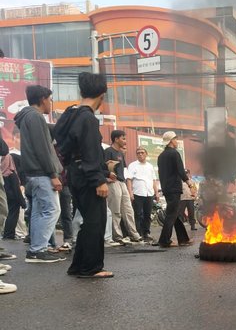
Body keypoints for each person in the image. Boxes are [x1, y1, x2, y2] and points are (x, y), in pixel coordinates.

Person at [55, 72, 113, 278]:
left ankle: (78, 266)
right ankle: (91, 268)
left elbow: (63, 145)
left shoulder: (71, 114)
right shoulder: (87, 118)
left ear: (81, 91)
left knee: (88, 221)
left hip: (75, 173)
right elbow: (90, 151)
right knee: (96, 222)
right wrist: (99, 179)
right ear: (102, 95)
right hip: (87, 175)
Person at [14, 85, 64, 263]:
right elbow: (42, 149)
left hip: (32, 173)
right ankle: (38, 249)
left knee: (38, 211)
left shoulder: (27, 117)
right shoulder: (35, 117)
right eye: (50, 99)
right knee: (51, 209)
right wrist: (53, 174)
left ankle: (36, 249)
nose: (50, 103)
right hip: (42, 172)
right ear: (43, 99)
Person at [104, 130, 143, 244]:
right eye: (123, 138)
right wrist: (107, 177)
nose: (125, 141)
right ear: (116, 139)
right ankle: (117, 236)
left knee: (128, 210)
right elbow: (104, 167)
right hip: (113, 183)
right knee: (115, 210)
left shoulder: (120, 153)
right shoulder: (108, 151)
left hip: (122, 182)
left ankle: (134, 234)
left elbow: (123, 169)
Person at [156, 131, 193, 248]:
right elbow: (181, 171)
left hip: (166, 188)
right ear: (171, 141)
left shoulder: (161, 156)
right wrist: (189, 183)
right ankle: (164, 240)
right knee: (171, 214)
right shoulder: (174, 153)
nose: (177, 141)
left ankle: (183, 239)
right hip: (174, 188)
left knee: (174, 213)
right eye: (176, 139)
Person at [127, 147, 159, 242]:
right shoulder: (133, 165)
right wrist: (130, 193)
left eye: (142, 152)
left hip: (149, 193)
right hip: (138, 193)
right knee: (137, 214)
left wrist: (156, 193)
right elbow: (129, 179)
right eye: (138, 153)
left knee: (147, 214)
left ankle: (146, 233)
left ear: (146, 154)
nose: (140, 154)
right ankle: (138, 234)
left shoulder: (150, 166)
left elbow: (153, 180)